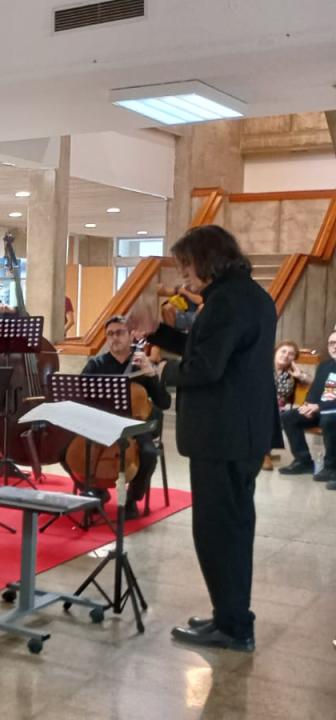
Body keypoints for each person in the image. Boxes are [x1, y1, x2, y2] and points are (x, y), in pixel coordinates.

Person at [128, 224, 274, 652]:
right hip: (239, 433)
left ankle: (232, 627)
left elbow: (205, 369)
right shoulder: (246, 296)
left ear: (207, 261)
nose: (184, 277)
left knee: (217, 531)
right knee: (233, 527)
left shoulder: (226, 302)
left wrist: (160, 372)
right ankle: (230, 616)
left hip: (223, 435)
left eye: (187, 267)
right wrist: (157, 331)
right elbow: (208, 349)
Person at [80, 315, 171, 520]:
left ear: (131, 335)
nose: (114, 338)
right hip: (103, 425)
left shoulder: (141, 364)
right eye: (110, 334)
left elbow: (164, 402)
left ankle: (132, 499)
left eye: (119, 332)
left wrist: (151, 374)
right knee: (72, 451)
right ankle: (97, 492)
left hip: (135, 426)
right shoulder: (96, 365)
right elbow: (79, 396)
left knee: (148, 453)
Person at [278, 332, 336, 484]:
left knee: (329, 419)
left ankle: (331, 467)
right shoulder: (325, 366)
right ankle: (303, 461)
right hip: (322, 410)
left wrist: (319, 407)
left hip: (331, 413)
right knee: (288, 417)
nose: (334, 346)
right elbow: (315, 391)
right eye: (331, 343)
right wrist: (308, 405)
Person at [266, 341, 311, 471]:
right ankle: (263, 451)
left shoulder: (291, 373)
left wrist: (300, 375)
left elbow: (312, 382)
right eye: (283, 351)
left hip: (278, 410)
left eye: (291, 354)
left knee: (276, 415)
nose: (286, 355)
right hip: (259, 404)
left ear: (294, 359)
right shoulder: (263, 367)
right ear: (276, 352)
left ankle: (265, 453)